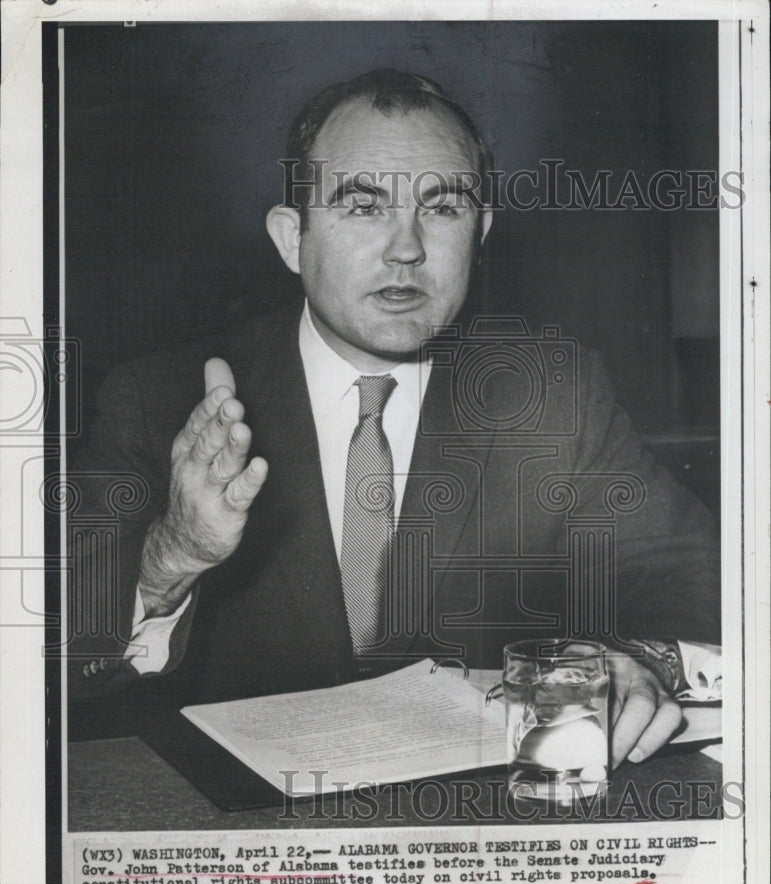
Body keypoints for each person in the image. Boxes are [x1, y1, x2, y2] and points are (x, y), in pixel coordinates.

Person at [68, 69, 721, 770]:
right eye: (362, 206)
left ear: (481, 232)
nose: (406, 249)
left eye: (442, 208)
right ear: (293, 237)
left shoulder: (550, 393)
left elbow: (695, 574)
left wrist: (627, 658)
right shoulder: (157, 397)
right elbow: (53, 660)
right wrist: (172, 559)